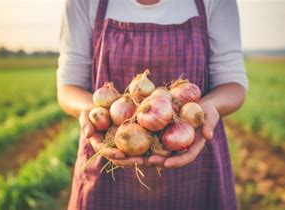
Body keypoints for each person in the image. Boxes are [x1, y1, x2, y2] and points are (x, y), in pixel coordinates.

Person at [56, 0, 248, 209]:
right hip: (107, 151)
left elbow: (233, 83)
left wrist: (210, 106)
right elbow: (68, 86)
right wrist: (91, 111)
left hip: (196, 153)